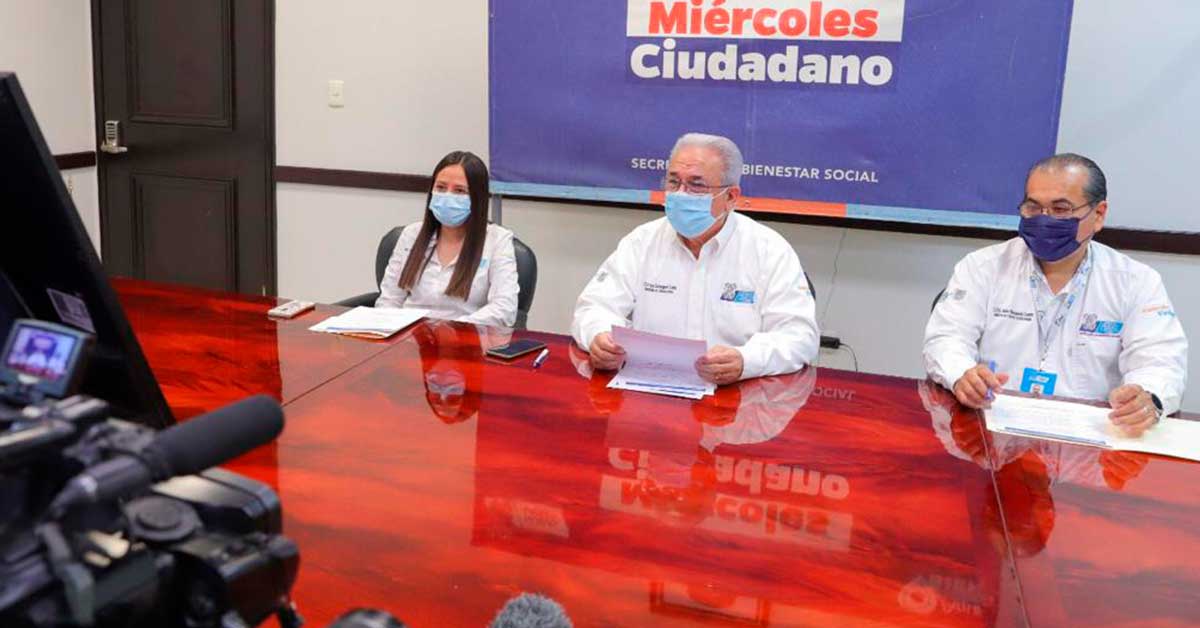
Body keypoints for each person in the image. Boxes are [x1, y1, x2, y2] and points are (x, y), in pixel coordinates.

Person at [924, 153, 1188, 436]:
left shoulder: (1135, 282)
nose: (1044, 219)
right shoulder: (982, 267)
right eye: (1033, 207)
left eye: (1061, 209)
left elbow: (1160, 360)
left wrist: (1147, 396)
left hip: (1090, 439)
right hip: (992, 427)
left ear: (1098, 214)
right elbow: (946, 339)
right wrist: (962, 374)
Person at [570, 133, 819, 385]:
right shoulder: (641, 242)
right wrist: (599, 337)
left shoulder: (769, 250)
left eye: (696, 185)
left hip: (736, 396)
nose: (680, 194)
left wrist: (746, 361)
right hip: (649, 390)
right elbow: (593, 308)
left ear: (731, 197)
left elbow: (799, 336)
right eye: (673, 182)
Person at [376, 151, 519, 328]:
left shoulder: (497, 241)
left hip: (466, 337)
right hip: (410, 337)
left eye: (459, 191)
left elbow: (504, 309)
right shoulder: (411, 235)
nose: (447, 196)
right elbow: (389, 300)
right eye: (441, 188)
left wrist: (452, 330)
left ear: (477, 198)